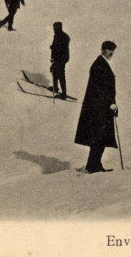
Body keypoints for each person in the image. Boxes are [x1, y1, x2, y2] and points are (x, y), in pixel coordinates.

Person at [75, 41, 118, 173]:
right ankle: (94, 166)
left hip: (101, 107)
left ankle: (93, 165)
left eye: (112, 50)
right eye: (108, 49)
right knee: (99, 138)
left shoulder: (101, 63)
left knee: (99, 138)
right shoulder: (99, 65)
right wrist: (109, 103)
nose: (111, 52)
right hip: (98, 108)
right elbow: (99, 89)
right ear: (102, 49)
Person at [50, 22, 70, 98]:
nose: (54, 30)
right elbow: (54, 46)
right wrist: (52, 56)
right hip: (57, 57)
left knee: (61, 74)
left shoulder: (64, 37)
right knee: (54, 70)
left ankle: (64, 94)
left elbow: (62, 48)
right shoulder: (57, 36)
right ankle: (55, 88)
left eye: (55, 28)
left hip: (62, 58)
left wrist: (55, 48)